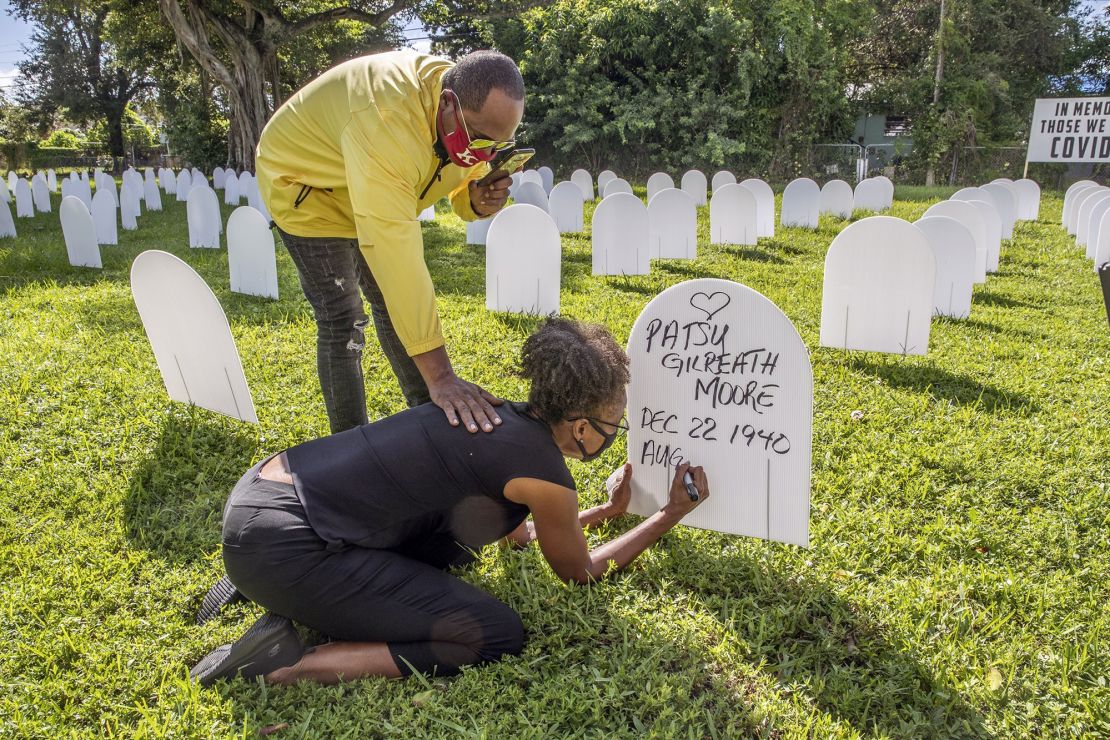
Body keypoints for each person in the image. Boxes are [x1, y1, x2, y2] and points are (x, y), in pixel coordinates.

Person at [189, 319, 711, 686]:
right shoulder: (545, 475)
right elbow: (581, 571)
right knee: (493, 633)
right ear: (580, 426)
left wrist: (604, 514)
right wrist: (669, 514)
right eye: (613, 424)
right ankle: (294, 663)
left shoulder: (490, 411)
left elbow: (521, 537)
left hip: (266, 495)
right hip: (285, 548)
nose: (614, 434)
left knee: (455, 548)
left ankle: (271, 583)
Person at [256, 49, 524, 436]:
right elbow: (397, 259)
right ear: (447, 105)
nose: (485, 155)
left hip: (365, 179)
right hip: (305, 184)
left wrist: (474, 199)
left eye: (498, 146)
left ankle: (431, 414)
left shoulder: (465, 114)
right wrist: (444, 375)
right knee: (343, 318)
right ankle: (348, 443)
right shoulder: (387, 118)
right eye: (481, 141)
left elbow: (455, 178)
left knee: (387, 305)